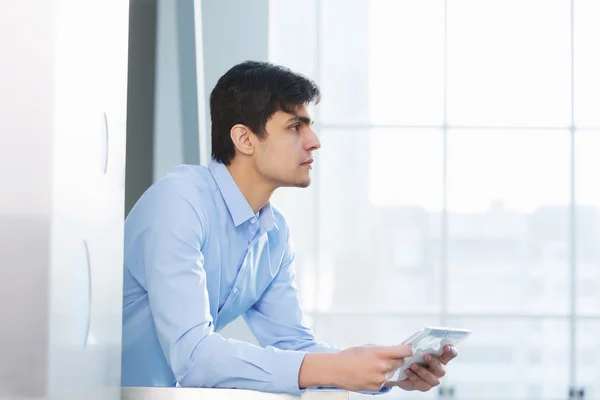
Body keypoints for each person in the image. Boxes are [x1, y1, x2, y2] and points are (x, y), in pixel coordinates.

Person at [121, 61, 458, 395]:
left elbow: (292, 342)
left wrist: (389, 369)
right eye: (296, 127)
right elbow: (193, 357)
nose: (314, 141)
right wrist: (337, 368)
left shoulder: (274, 233)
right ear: (245, 139)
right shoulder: (180, 202)